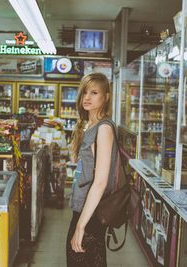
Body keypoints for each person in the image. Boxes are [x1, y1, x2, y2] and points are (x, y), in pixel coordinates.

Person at [66, 72, 118, 267]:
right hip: (84, 209)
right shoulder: (91, 126)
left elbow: (101, 182)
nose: (87, 97)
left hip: (91, 214)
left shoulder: (103, 129)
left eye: (94, 92)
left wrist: (81, 226)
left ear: (105, 97)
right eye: (84, 92)